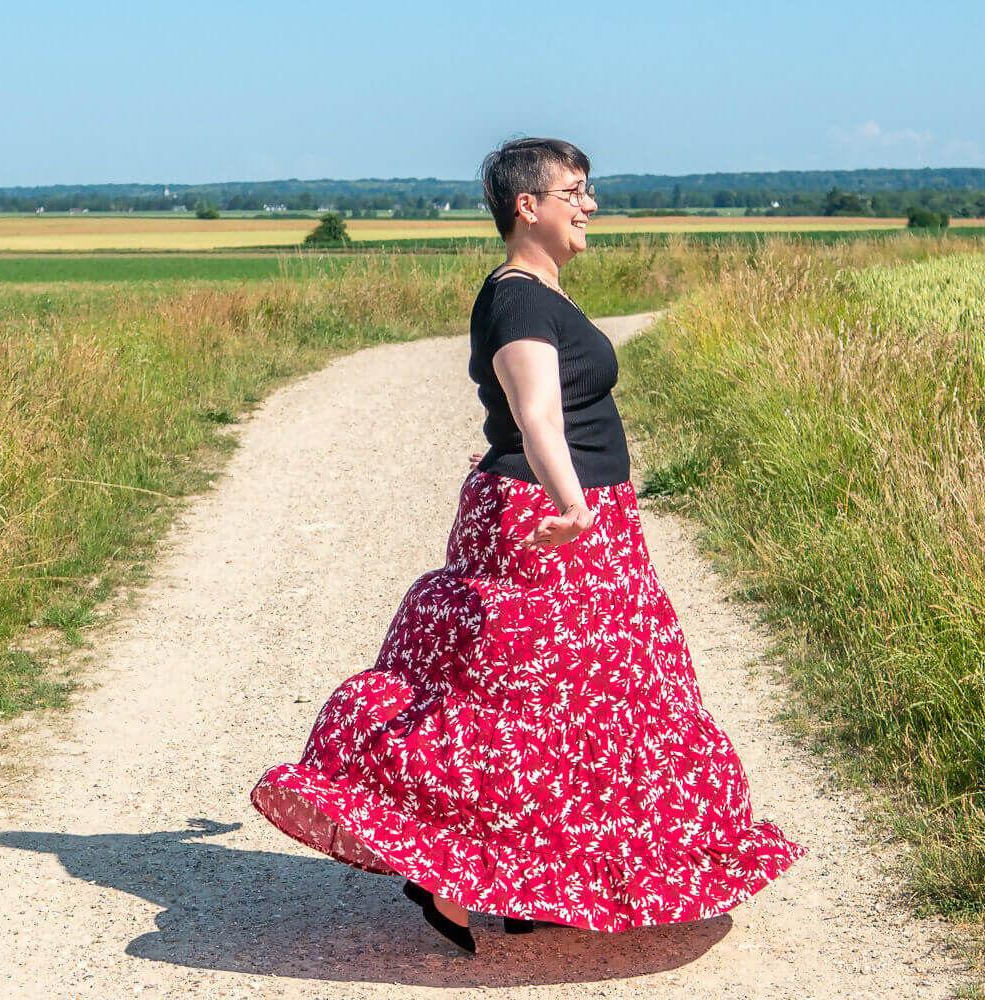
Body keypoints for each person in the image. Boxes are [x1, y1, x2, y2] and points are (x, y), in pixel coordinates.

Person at [250, 137, 807, 956]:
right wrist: (572, 504)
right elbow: (538, 413)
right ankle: (452, 870)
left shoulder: (540, 293)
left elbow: (524, 417)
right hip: (558, 521)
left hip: (572, 511)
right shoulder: (519, 300)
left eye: (588, 189)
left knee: (574, 706)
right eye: (575, 191)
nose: (590, 204)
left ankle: (527, 880)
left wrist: (537, 471)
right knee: (533, 705)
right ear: (528, 206)